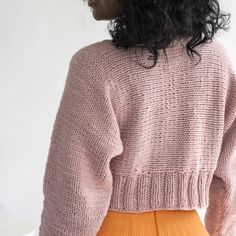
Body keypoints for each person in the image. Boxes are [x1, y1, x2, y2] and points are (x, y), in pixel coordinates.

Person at [39, 0, 236, 235]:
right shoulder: (215, 59)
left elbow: (73, 190)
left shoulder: (95, 66)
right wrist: (221, 230)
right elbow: (230, 173)